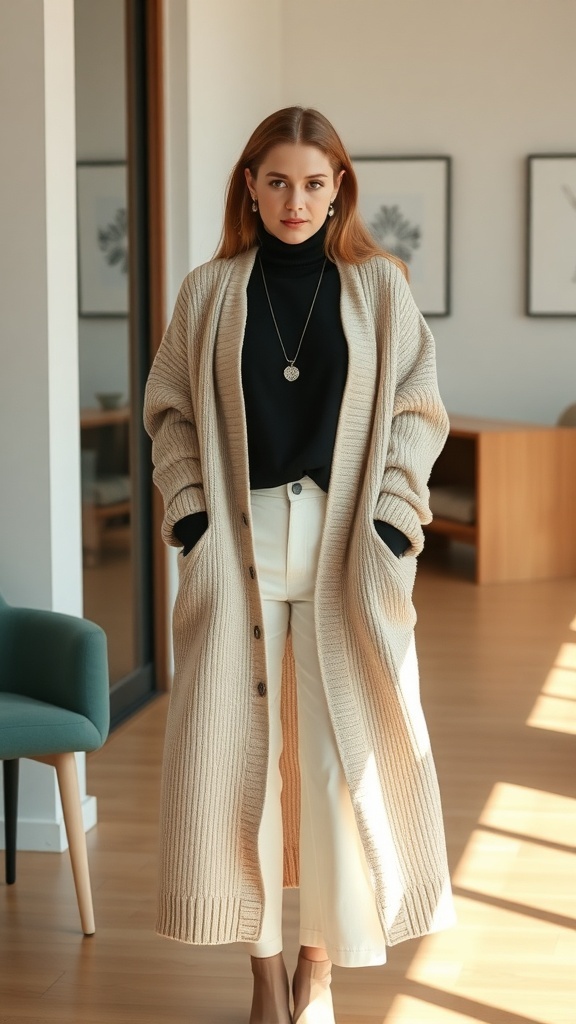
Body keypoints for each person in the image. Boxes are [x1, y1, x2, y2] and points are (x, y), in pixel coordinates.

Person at [143, 106, 455, 1024]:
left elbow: (417, 411)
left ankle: (318, 964)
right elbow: (170, 411)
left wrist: (392, 526)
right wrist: (191, 515)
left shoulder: (379, 287)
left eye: (315, 183)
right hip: (236, 546)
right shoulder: (209, 291)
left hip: (344, 548)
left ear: (338, 188)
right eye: (277, 181)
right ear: (249, 186)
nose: (296, 200)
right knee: (242, 759)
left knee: (331, 763)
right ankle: (263, 966)